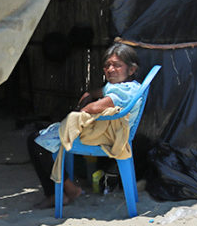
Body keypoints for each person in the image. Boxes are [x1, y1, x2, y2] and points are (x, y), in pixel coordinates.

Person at [27, 43, 141, 206]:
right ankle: (66, 189)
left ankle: (66, 191)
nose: (110, 69)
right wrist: (89, 94)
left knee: (36, 141)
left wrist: (82, 110)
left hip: (106, 138)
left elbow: (94, 108)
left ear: (131, 70)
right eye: (107, 65)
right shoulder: (126, 87)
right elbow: (101, 92)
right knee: (44, 135)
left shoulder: (124, 91)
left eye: (117, 65)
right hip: (111, 133)